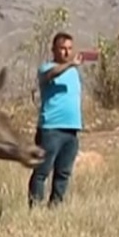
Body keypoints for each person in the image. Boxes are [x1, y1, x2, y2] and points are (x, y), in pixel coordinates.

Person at [28, 31, 84, 207]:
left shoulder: (74, 73)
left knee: (63, 173)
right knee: (42, 171)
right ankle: (35, 208)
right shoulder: (46, 69)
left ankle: (55, 208)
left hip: (71, 130)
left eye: (69, 49)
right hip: (51, 129)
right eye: (62, 48)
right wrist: (70, 65)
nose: (67, 53)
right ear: (53, 49)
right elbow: (50, 75)